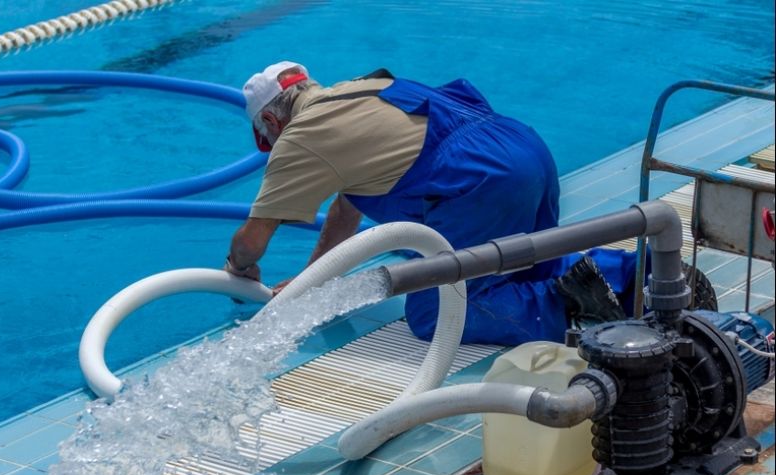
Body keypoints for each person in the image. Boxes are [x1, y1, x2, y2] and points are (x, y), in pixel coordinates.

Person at [223, 61, 714, 345]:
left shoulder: (302, 137)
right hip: (524, 150)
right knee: (520, 267)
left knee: (438, 311)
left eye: (266, 137)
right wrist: (316, 280)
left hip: (478, 181)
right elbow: (346, 211)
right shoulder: (362, 90)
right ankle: (642, 277)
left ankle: (570, 308)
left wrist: (237, 268)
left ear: (271, 121)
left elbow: (252, 242)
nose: (270, 144)